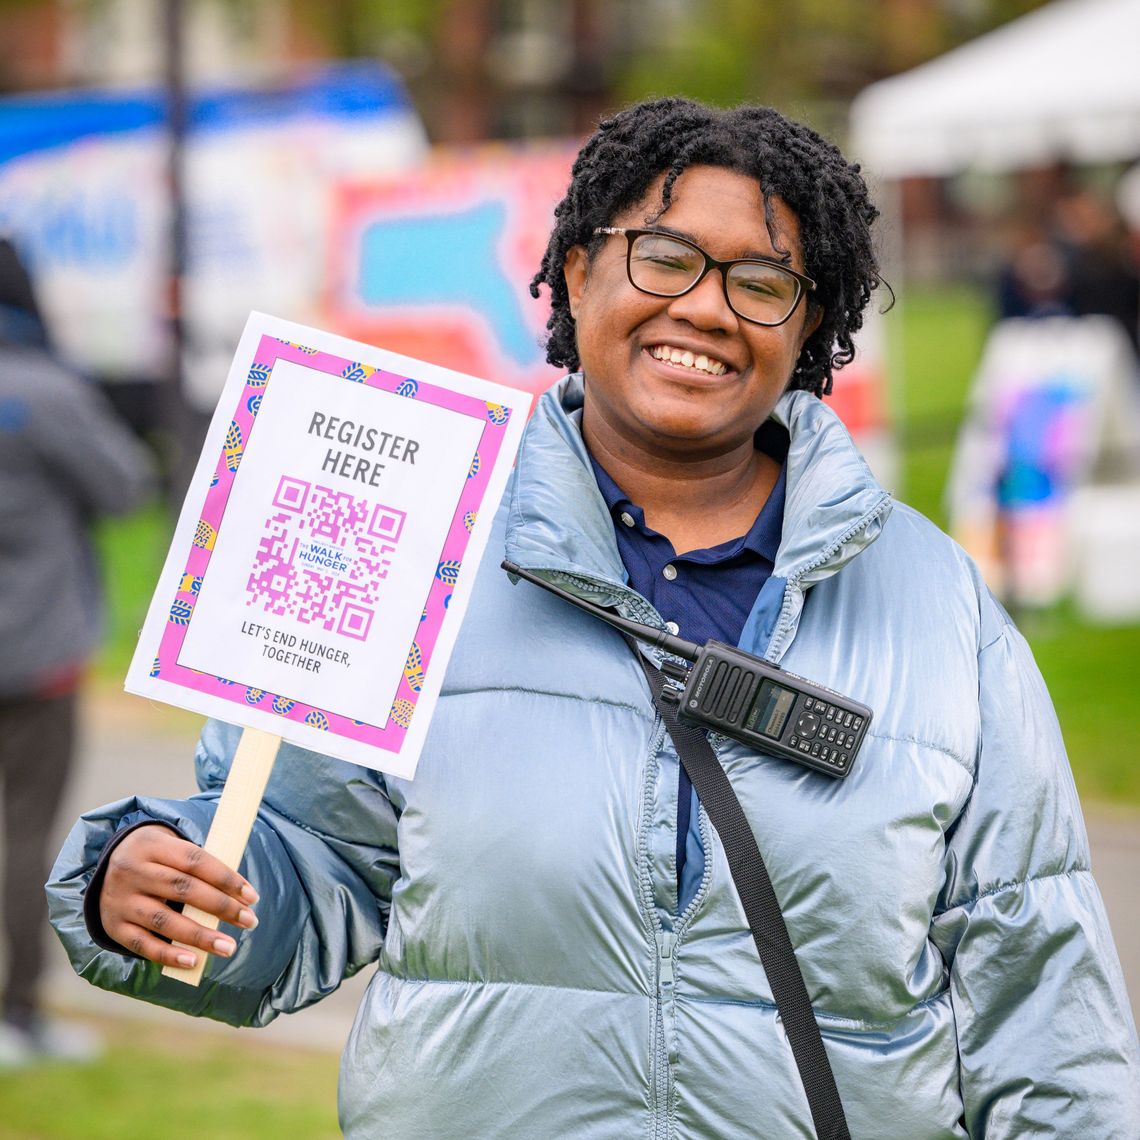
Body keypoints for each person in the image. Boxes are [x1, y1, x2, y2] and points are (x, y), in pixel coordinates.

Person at [48, 99, 1139, 1136]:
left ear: (809, 325)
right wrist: (156, 889)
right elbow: (305, 870)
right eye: (664, 258)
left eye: (763, 282)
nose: (706, 306)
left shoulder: (936, 604)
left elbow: (1037, 975)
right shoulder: (411, 544)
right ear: (577, 271)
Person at [0, 237, 156, 1066]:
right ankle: (17, 1015)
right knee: (24, 832)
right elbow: (126, 485)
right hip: (35, 651)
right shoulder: (42, 391)